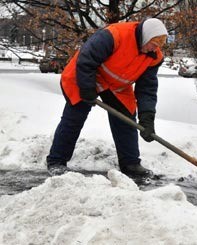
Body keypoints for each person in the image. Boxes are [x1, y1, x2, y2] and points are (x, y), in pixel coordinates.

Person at [46, 18, 168, 178]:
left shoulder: (154, 57)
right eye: (153, 43)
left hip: (114, 86)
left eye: (159, 45)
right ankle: (56, 162)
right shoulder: (114, 35)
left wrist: (147, 117)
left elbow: (147, 89)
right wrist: (87, 88)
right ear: (145, 36)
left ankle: (130, 163)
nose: (155, 48)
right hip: (83, 76)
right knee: (74, 117)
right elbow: (87, 58)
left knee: (126, 119)